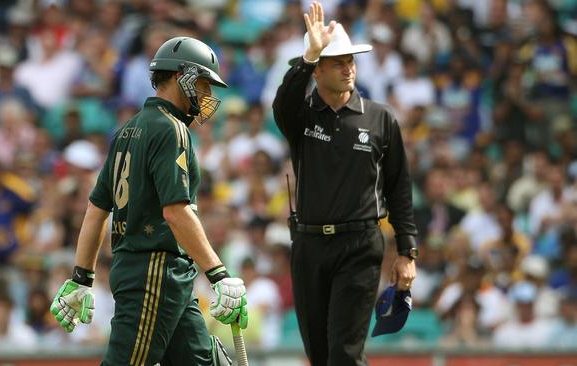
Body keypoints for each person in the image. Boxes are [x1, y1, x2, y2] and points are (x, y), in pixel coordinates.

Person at [49, 36, 248, 366]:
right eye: (202, 83)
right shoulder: (172, 129)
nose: (207, 95)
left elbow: (97, 209)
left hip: (154, 272)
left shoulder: (128, 129)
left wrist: (81, 277)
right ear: (179, 76)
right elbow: (175, 211)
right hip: (155, 271)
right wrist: (219, 274)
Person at [272, 2, 417, 364]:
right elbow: (281, 103)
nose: (348, 67)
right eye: (337, 61)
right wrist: (307, 56)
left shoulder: (381, 118)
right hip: (308, 246)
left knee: (344, 354)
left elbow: (399, 186)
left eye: (350, 60)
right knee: (320, 357)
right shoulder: (300, 116)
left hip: (360, 247)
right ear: (316, 71)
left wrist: (406, 251)